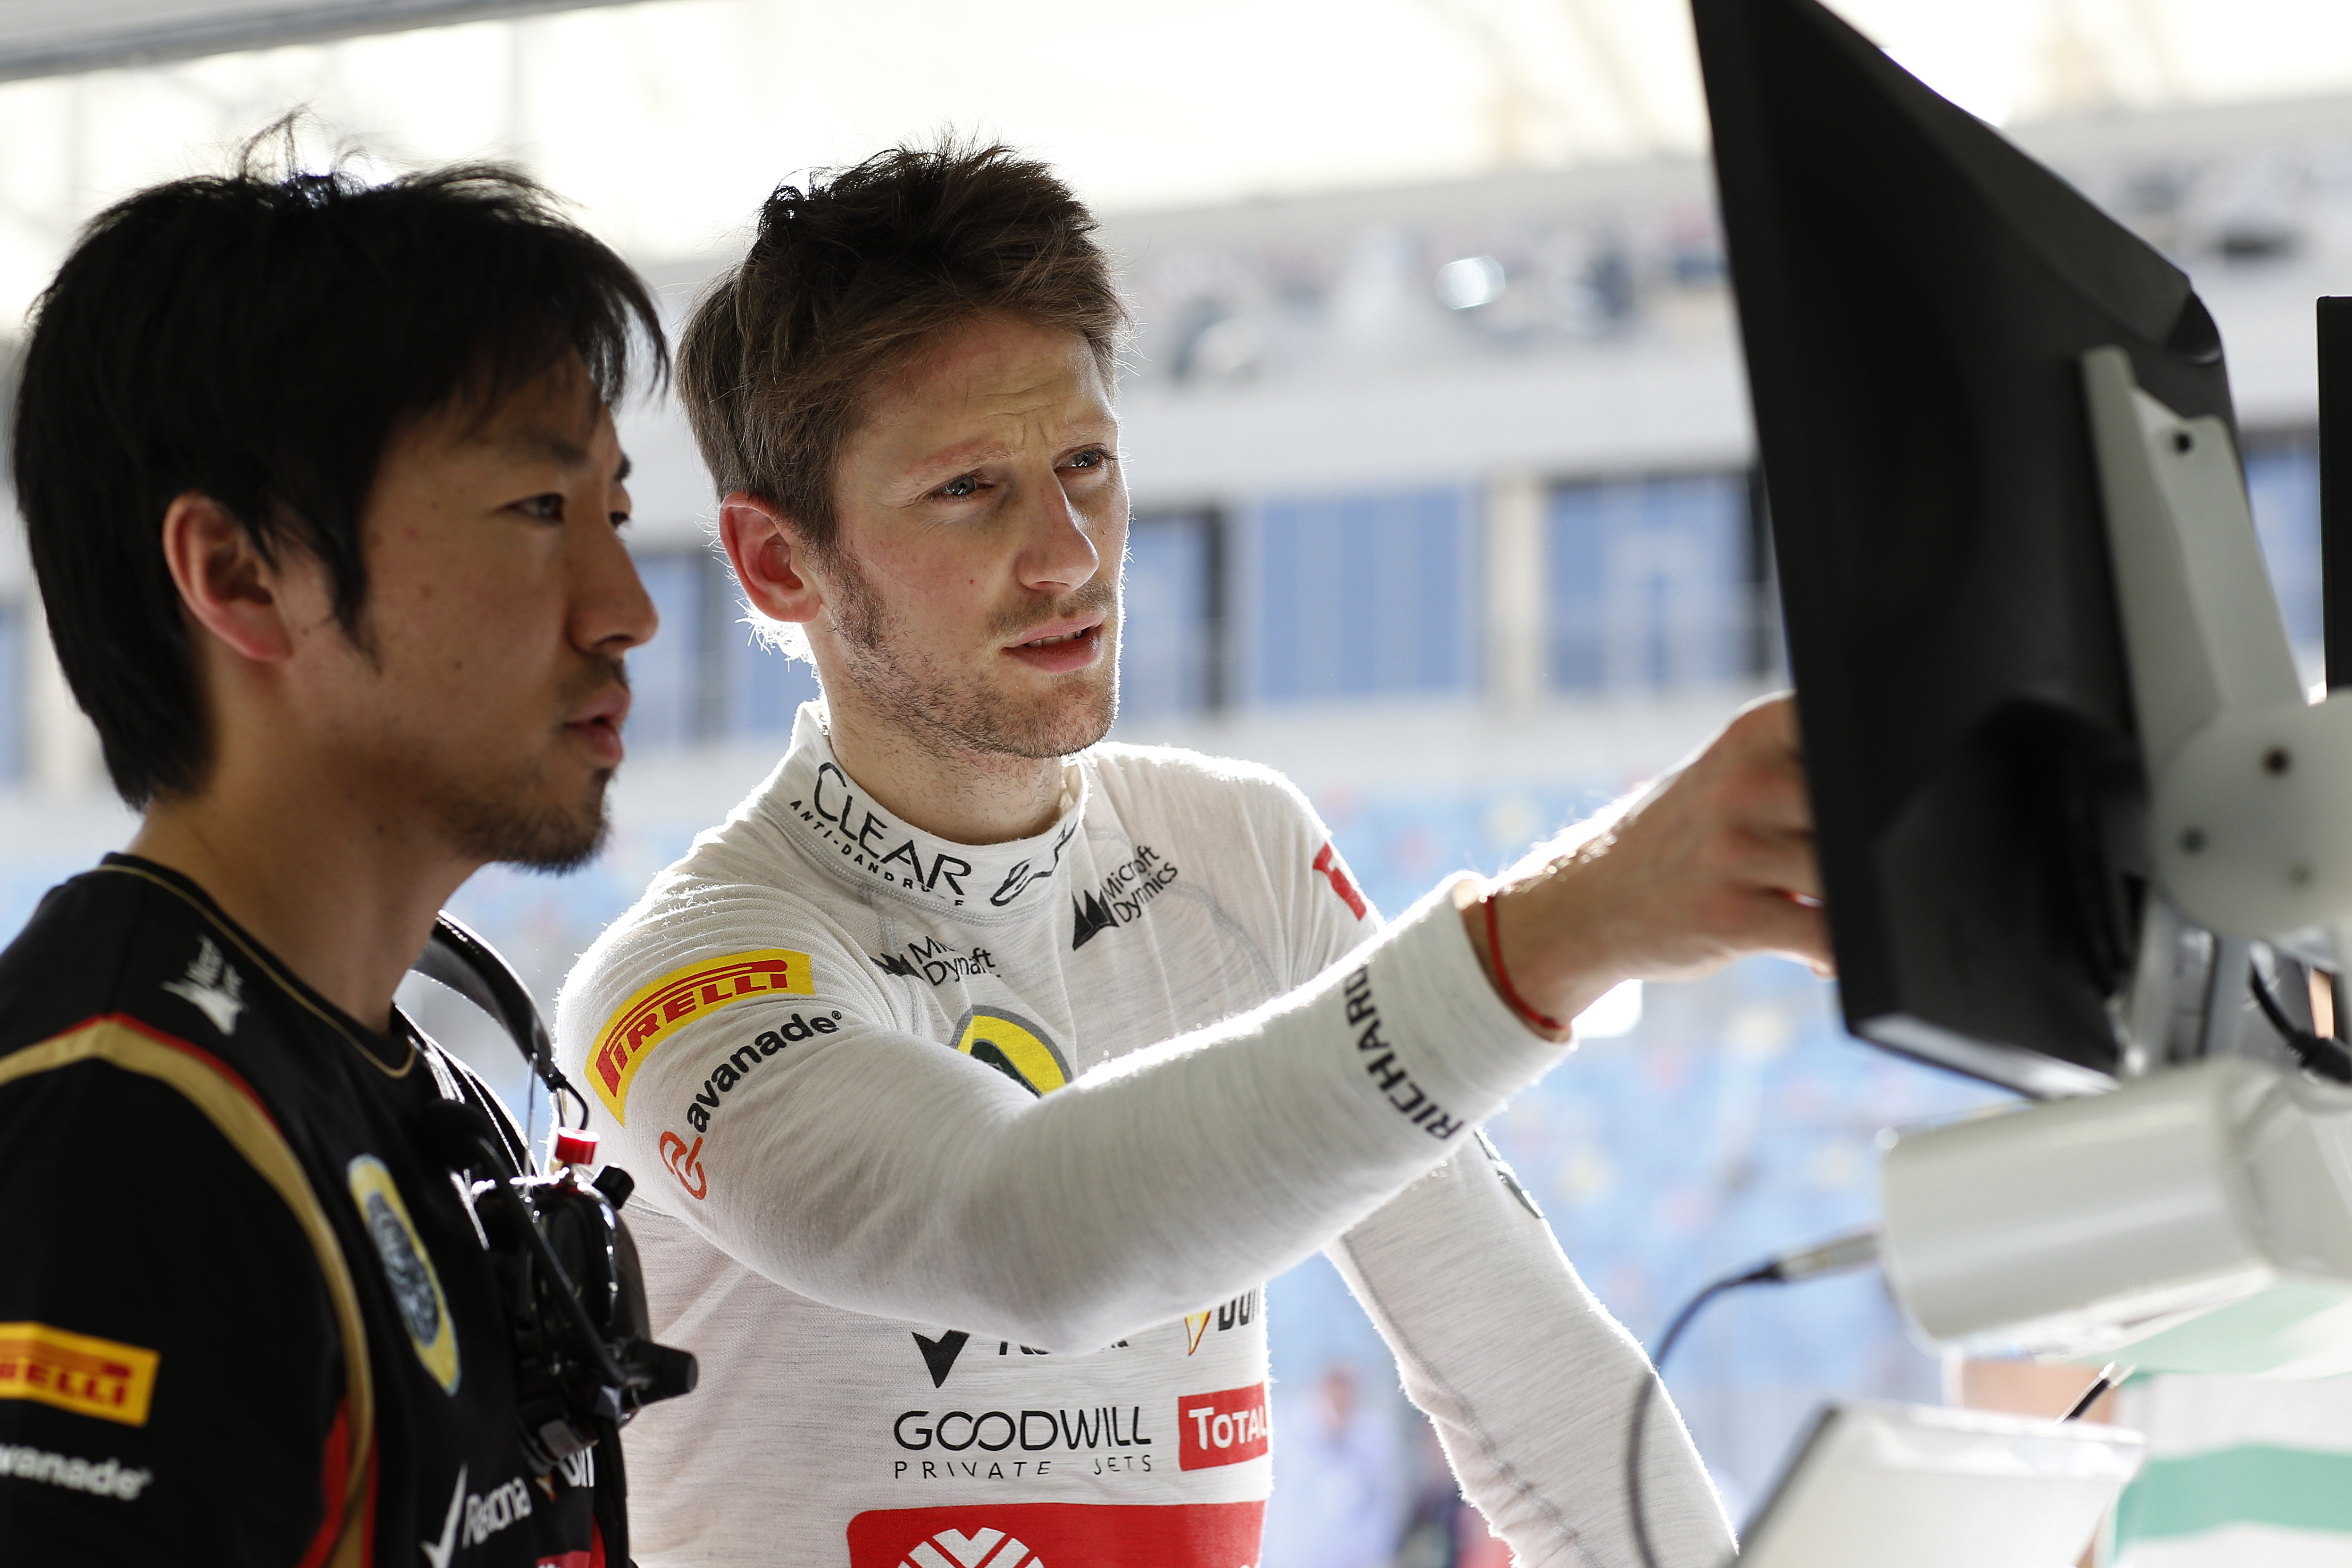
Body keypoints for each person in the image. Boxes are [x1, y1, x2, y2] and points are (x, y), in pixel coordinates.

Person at [556, 141, 1828, 1568]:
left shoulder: (1233, 847)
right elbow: (1025, 1240)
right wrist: (1568, 925)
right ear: (778, 563)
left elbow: (1531, 1375)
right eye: (969, 487)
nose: (1068, 555)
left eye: (1085, 465)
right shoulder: (680, 978)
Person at [0, 136, 668, 1564]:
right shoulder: (126, 1130)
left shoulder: (391, 1066)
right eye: (539, 511)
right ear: (239, 574)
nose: (627, 607)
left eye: (612, 514)